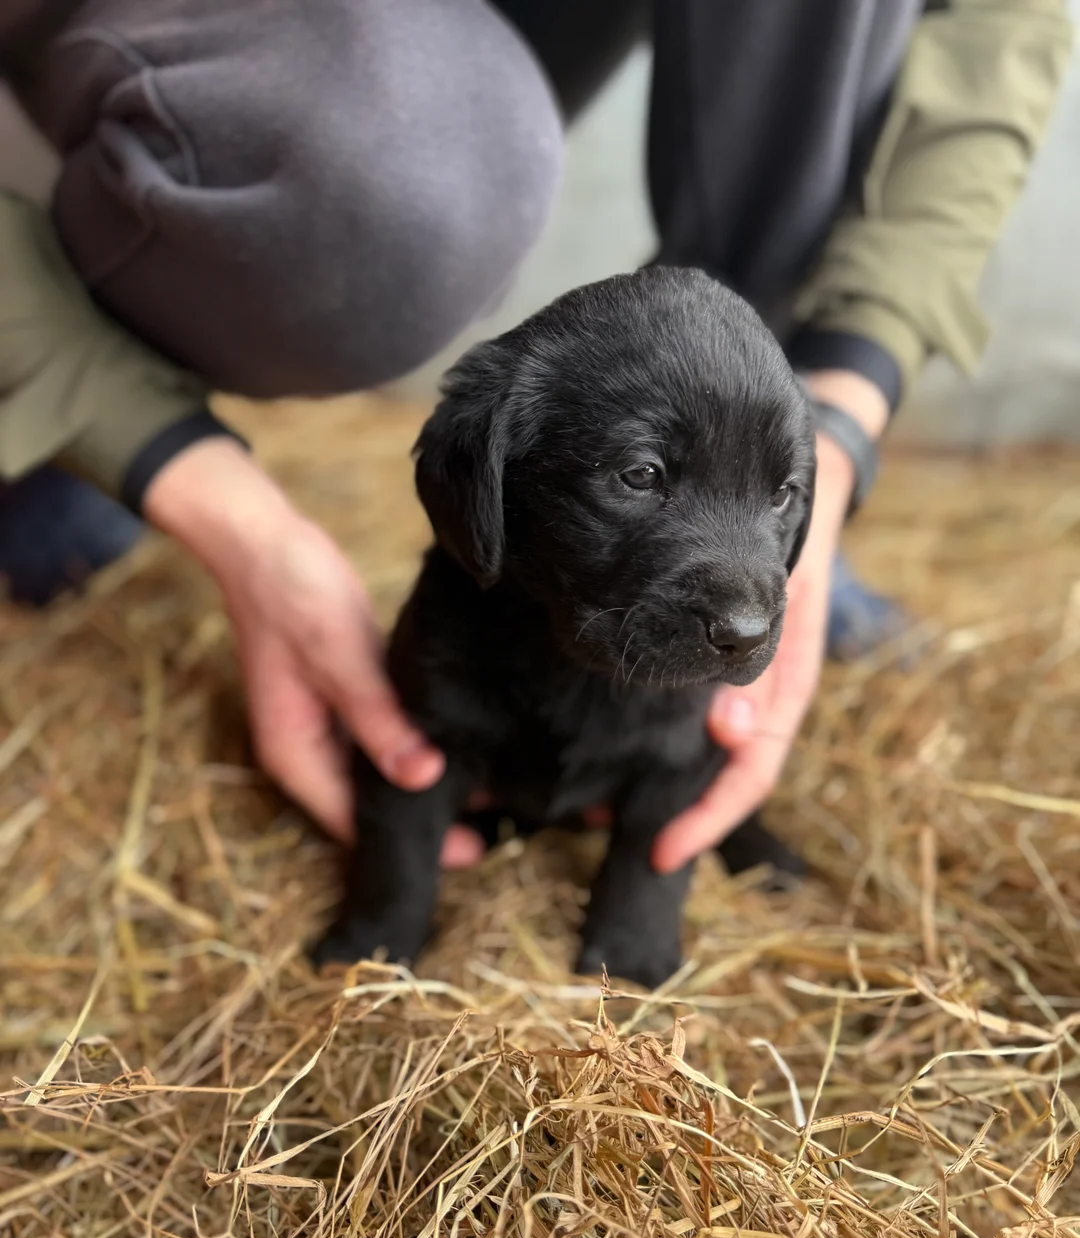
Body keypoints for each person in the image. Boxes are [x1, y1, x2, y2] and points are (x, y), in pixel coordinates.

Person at [0, 0, 1071, 878]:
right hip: (172, 78)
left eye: (773, 492)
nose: (751, 606)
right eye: (644, 474)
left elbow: (1000, 21)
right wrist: (162, 456)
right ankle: (102, 394)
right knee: (382, 168)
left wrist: (841, 405)